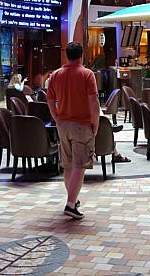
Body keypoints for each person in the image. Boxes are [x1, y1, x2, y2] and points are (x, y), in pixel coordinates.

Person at [47, 42, 100, 220]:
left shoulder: (56, 75)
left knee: (68, 164)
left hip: (62, 124)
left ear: (66, 55)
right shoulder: (87, 74)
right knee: (79, 164)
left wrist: (56, 117)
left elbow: (50, 100)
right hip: (82, 124)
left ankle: (73, 199)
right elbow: (94, 102)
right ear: (81, 55)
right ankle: (70, 204)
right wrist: (95, 124)